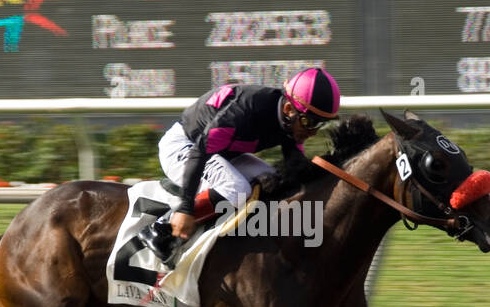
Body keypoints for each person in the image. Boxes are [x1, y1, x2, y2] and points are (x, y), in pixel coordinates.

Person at [139, 67, 341, 268]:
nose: (312, 132)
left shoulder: (290, 123)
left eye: (319, 124)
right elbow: (199, 153)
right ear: (289, 109)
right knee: (237, 189)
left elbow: (295, 167)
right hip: (186, 146)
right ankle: (162, 228)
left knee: (273, 180)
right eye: (309, 122)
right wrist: (186, 208)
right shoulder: (243, 111)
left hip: (221, 153)